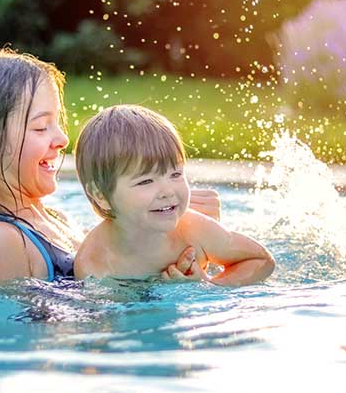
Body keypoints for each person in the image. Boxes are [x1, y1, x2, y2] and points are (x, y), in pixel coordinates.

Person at [0, 48, 221, 283]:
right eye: (41, 127)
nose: (62, 138)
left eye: (57, 123)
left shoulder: (55, 218)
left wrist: (175, 238)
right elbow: (32, 339)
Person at [73, 104, 275, 286]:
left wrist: (210, 285)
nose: (168, 191)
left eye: (175, 174)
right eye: (146, 181)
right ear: (101, 195)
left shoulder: (193, 231)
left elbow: (262, 260)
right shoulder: (94, 264)